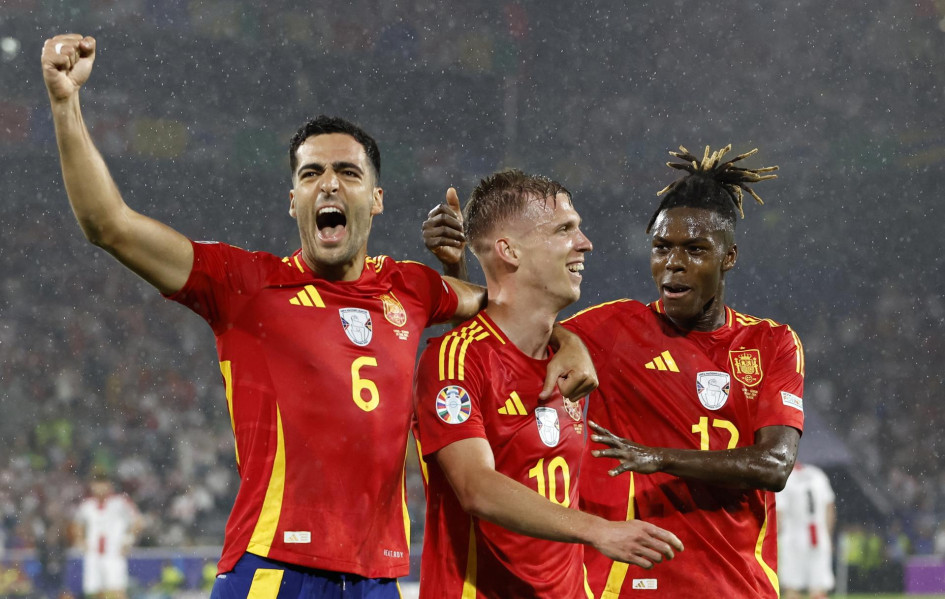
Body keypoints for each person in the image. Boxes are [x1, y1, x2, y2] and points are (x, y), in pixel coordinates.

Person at [41, 34, 595, 598]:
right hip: (274, 569)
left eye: (348, 173)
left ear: (376, 200)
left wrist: (571, 341)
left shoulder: (411, 287)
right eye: (311, 174)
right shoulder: (246, 285)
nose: (329, 183)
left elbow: (512, 313)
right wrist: (66, 104)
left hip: (379, 578)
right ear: (293, 200)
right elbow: (108, 224)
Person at [423, 145, 805, 597]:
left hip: (738, 585)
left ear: (729, 257)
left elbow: (775, 465)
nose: (674, 263)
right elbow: (508, 326)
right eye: (662, 248)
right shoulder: (613, 329)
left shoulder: (770, 342)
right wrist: (461, 268)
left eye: (696, 249)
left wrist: (657, 456)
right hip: (628, 584)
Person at [413, 170, 682, 598]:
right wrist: (599, 531)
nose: (585, 243)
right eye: (564, 229)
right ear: (509, 250)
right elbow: (476, 487)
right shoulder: (456, 358)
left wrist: (569, 340)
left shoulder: (568, 356)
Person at [72, 474, 144, 599]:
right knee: (94, 591)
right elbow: (77, 523)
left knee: (116, 590)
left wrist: (128, 540)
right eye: (96, 484)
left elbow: (138, 521)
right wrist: (80, 541)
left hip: (113, 552)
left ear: (109, 485)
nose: (99, 488)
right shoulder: (87, 505)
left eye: (103, 484)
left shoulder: (120, 502)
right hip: (93, 553)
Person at [777, 462, 836, 599]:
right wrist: (828, 536)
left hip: (793, 538)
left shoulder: (784, 478)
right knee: (819, 590)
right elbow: (829, 508)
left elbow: (779, 514)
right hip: (819, 536)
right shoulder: (818, 475)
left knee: (792, 589)